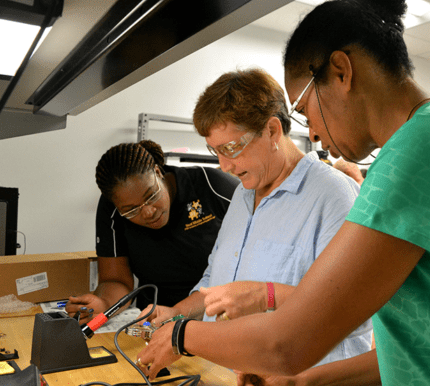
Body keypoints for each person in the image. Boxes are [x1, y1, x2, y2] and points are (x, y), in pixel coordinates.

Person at [138, 0, 430, 385]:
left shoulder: (423, 148)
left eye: (303, 108)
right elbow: (425, 342)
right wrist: (310, 380)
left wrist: (180, 334)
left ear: (341, 71)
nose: (309, 130)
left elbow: (287, 342)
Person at [138, 68, 372, 368]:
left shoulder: (334, 195)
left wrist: (267, 294)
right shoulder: (242, 195)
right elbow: (216, 282)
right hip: (228, 372)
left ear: (272, 131)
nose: (223, 165)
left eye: (231, 148)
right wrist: (177, 314)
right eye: (215, 151)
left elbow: (358, 313)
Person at [65, 140, 239, 323]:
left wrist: (178, 312)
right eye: (131, 210)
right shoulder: (112, 209)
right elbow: (116, 280)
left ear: (158, 172)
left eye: (151, 195)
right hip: (153, 317)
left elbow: (242, 274)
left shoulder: (212, 186)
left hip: (221, 311)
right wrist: (103, 304)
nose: (148, 212)